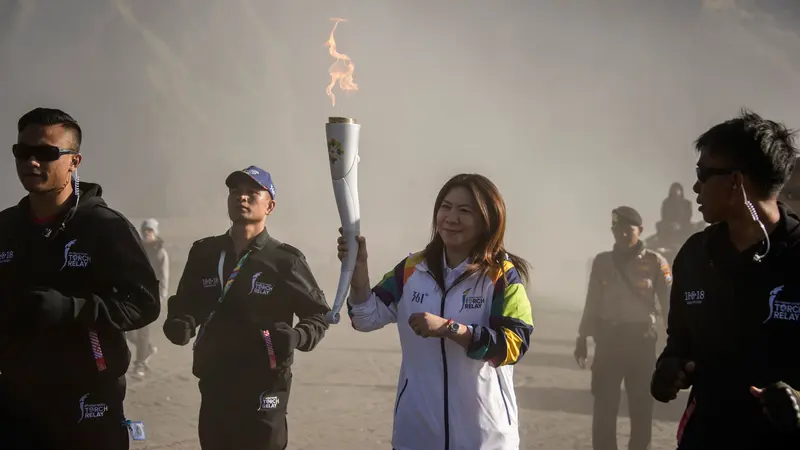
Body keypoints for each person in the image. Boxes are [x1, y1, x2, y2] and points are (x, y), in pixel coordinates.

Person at [0, 107, 161, 449]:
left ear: (74, 161)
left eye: (46, 153)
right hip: (15, 403)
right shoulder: (5, 228)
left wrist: (73, 309)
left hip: (88, 404)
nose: (31, 162)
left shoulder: (107, 228)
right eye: (22, 152)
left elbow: (143, 304)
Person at [341, 173, 534, 450]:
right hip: (416, 434)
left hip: (483, 438)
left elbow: (513, 345)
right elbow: (364, 317)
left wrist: (450, 329)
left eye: (464, 211)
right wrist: (358, 269)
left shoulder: (502, 276)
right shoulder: (411, 269)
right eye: (446, 207)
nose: (451, 218)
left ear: (486, 221)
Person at [651, 109, 800, 449]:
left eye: (703, 174)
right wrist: (669, 367)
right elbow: (680, 340)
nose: (695, 186)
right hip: (706, 435)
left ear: (736, 181)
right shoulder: (694, 256)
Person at [162, 165, 330, 450]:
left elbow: (318, 314)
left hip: (265, 383)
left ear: (270, 206)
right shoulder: (204, 252)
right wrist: (181, 321)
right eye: (235, 192)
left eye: (252, 193)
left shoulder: (285, 260)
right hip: (216, 379)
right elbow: (186, 302)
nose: (242, 198)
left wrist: (297, 336)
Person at [574, 206, 672, 450]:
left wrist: (676, 340)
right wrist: (582, 336)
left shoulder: (656, 262)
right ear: (612, 231)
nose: (623, 234)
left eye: (629, 229)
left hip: (641, 341)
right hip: (609, 340)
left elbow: (670, 304)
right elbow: (592, 300)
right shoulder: (602, 261)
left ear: (640, 230)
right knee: (604, 405)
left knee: (641, 406)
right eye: (617, 229)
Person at [125, 218, 169, 376]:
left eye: (150, 231)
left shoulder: (160, 252)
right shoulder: (137, 249)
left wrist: (162, 296)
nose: (147, 234)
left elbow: (164, 276)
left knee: (143, 331)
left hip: (151, 296)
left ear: (155, 233)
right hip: (135, 294)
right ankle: (148, 349)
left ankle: (140, 364)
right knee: (129, 331)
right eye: (145, 231)